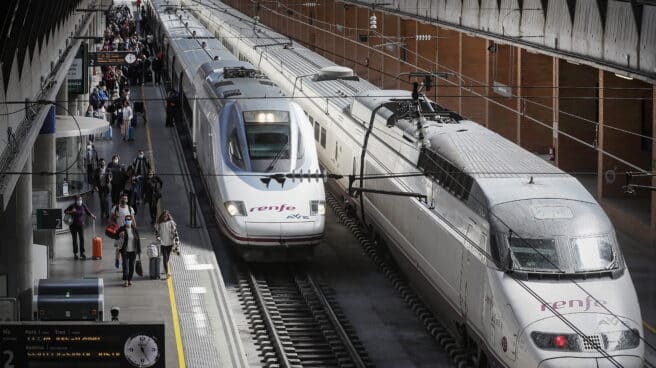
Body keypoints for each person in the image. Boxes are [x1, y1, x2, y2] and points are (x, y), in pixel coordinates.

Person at [64, 195, 96, 260]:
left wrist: (93, 216)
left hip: (81, 225)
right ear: (76, 200)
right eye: (79, 200)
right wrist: (71, 211)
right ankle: (75, 253)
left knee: (82, 239)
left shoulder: (83, 205)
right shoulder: (72, 206)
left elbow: (88, 212)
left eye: (80, 199)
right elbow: (65, 211)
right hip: (73, 225)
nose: (80, 201)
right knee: (74, 240)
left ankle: (82, 253)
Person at [117, 214, 141, 287]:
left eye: (129, 219)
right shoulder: (122, 229)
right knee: (125, 266)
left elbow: (138, 240)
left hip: (133, 251)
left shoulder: (135, 229)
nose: (128, 221)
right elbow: (115, 235)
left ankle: (130, 279)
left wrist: (139, 251)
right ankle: (125, 280)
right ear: (125, 221)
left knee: (131, 266)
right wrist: (119, 235)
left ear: (131, 221)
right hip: (125, 251)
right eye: (126, 219)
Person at [155, 211, 177, 278]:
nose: (165, 217)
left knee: (167, 257)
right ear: (162, 216)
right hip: (163, 243)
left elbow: (175, 232)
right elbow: (156, 233)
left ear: (168, 216)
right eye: (164, 216)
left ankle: (165, 269)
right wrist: (158, 238)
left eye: (166, 216)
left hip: (170, 243)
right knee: (165, 257)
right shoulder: (159, 224)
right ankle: (167, 272)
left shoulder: (171, 223)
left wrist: (175, 241)